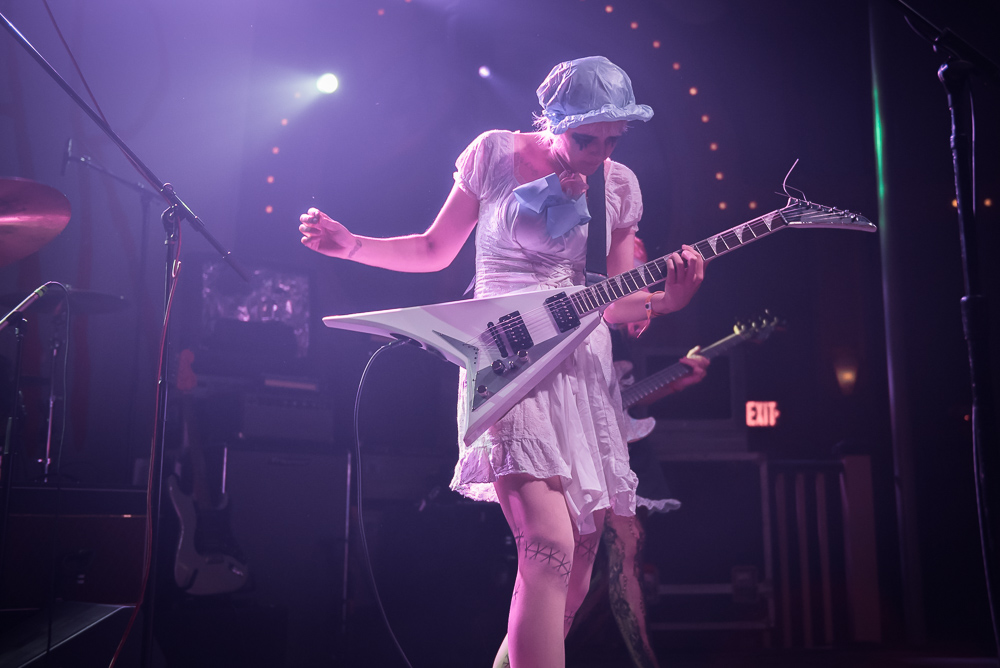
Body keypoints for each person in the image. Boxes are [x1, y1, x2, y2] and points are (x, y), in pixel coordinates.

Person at [298, 55, 705, 668]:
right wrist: (352, 245)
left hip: (582, 371)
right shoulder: (493, 153)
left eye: (611, 141)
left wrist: (667, 301)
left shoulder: (618, 185)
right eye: (585, 139)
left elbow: (616, 302)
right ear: (553, 121)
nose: (598, 153)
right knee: (548, 545)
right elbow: (434, 249)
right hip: (508, 362)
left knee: (578, 565)